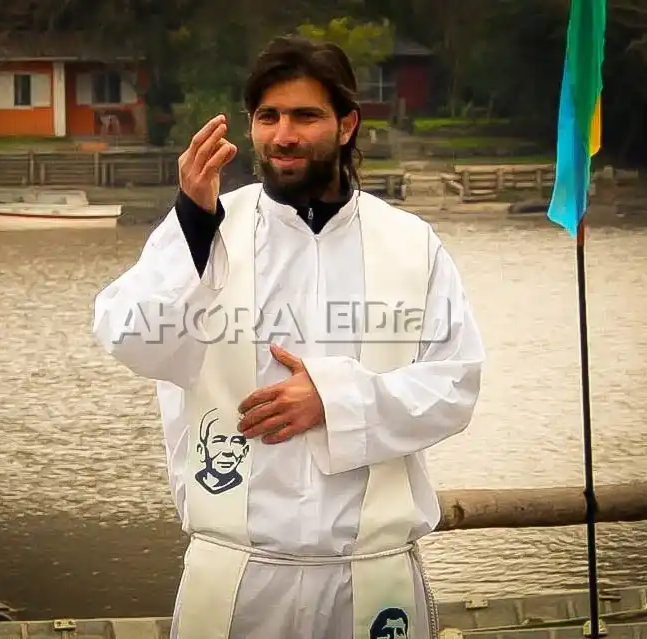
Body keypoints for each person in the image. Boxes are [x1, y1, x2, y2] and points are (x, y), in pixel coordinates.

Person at [92, 35, 485, 639]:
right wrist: (193, 224)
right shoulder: (205, 233)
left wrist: (334, 400)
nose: (284, 135)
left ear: (347, 124)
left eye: (306, 116)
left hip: (370, 580)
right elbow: (130, 337)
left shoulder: (411, 244)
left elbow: (454, 384)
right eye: (268, 117)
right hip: (238, 578)